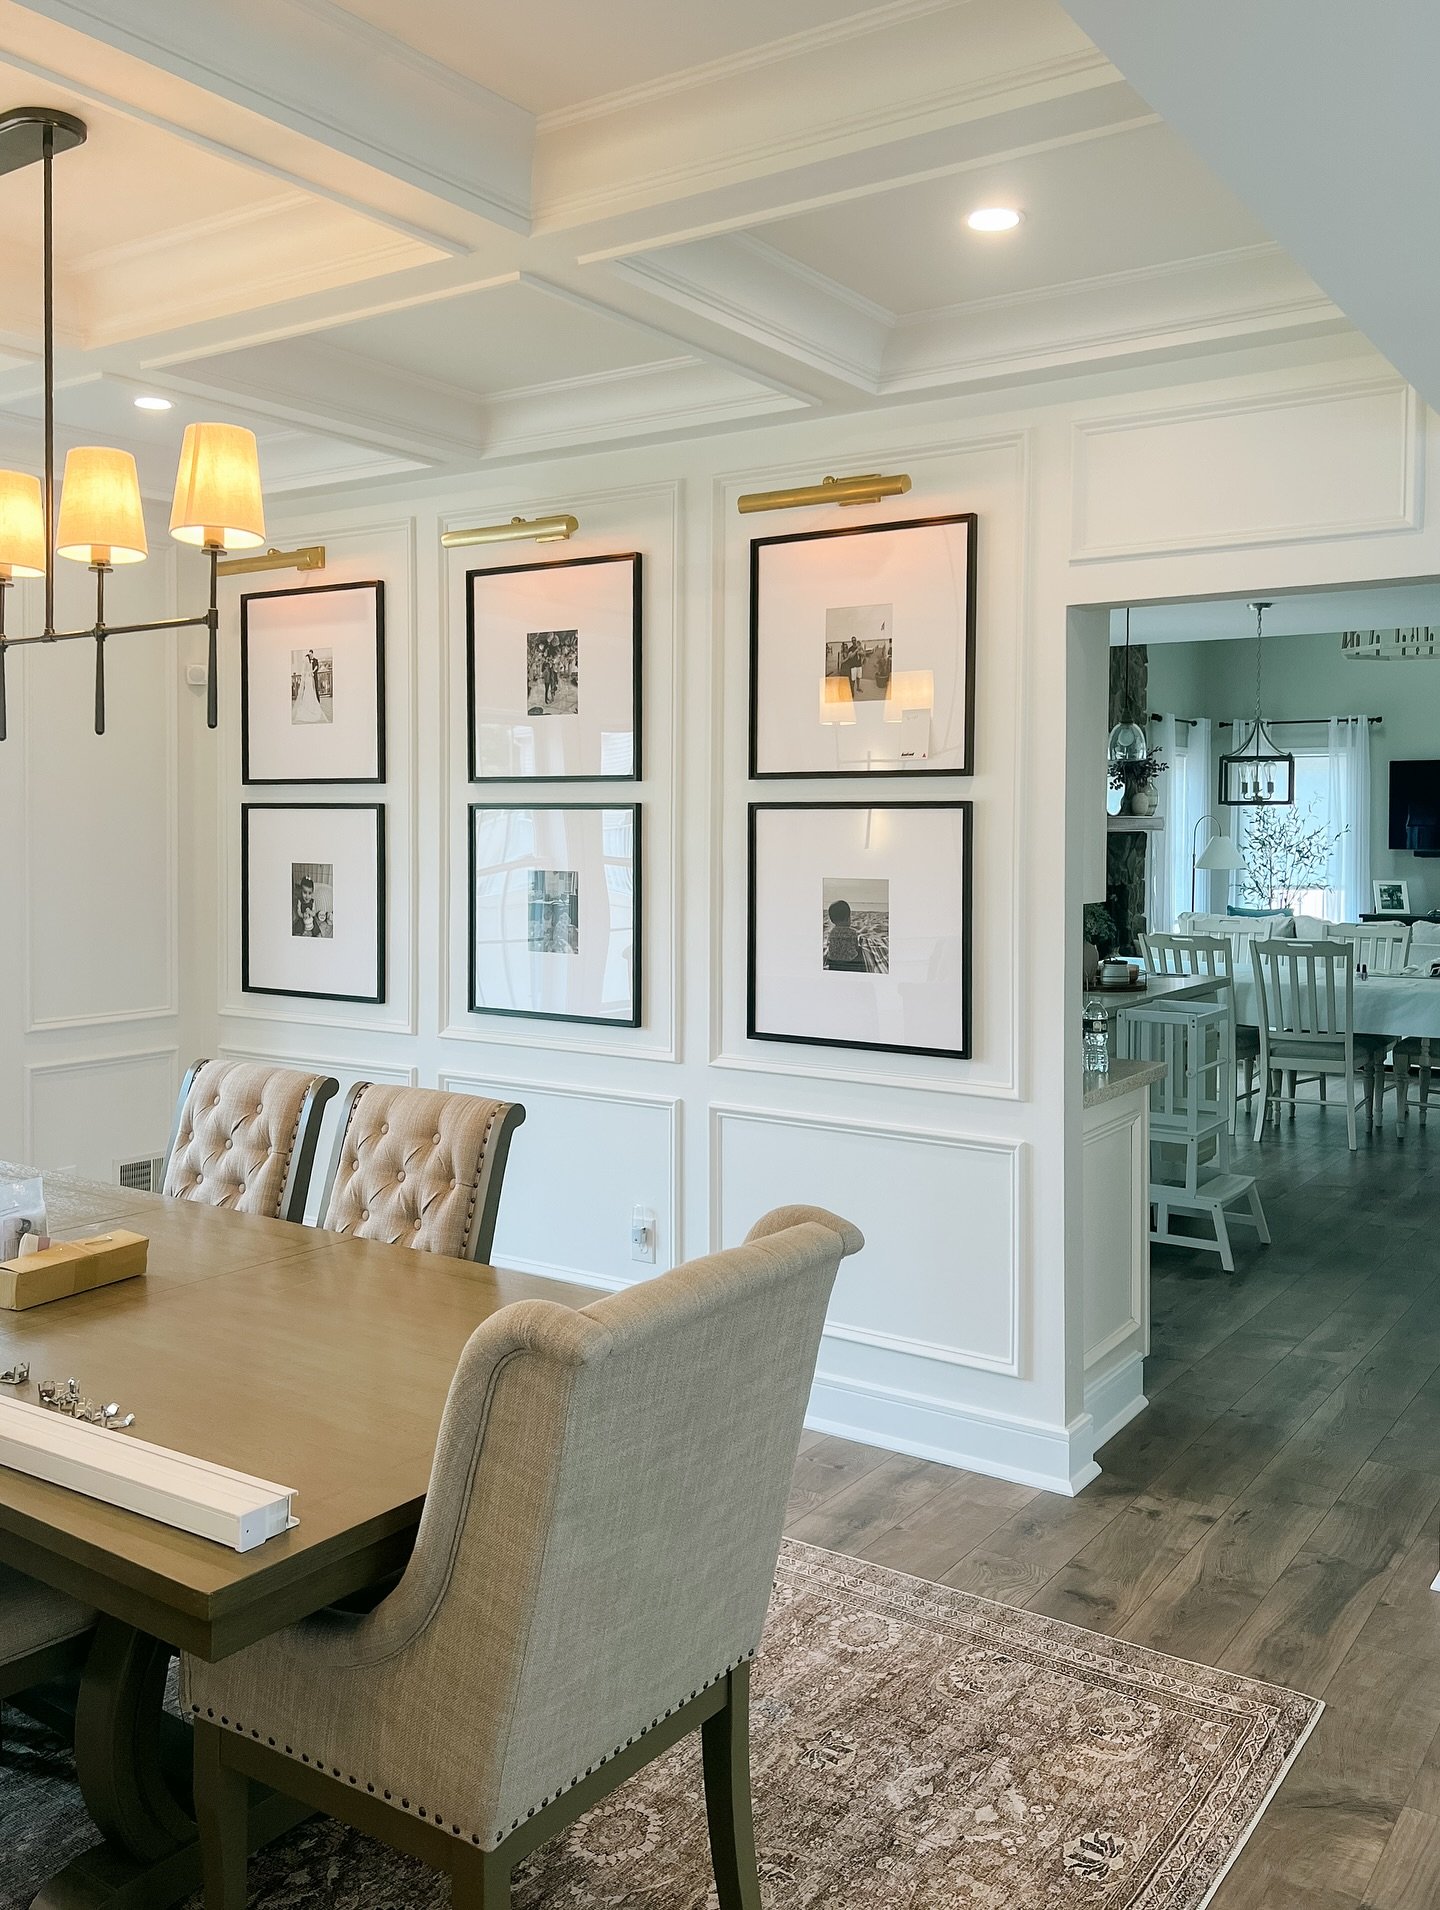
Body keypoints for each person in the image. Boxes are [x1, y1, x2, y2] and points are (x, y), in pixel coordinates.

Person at [824, 898, 867, 972]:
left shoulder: (831, 932)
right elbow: (856, 947)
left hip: (834, 962)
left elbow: (830, 945)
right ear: (847, 918)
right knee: (861, 952)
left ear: (832, 920)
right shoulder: (852, 932)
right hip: (850, 961)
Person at [292, 648, 326, 724]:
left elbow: (314, 668)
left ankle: (313, 703)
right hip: (310, 678)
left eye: (311, 654)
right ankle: (312, 705)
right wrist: (310, 673)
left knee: (311, 691)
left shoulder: (314, 661)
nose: (310, 656)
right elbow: (308, 671)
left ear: (312, 654)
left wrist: (309, 674)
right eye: (309, 655)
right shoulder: (309, 663)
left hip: (309, 678)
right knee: (310, 691)